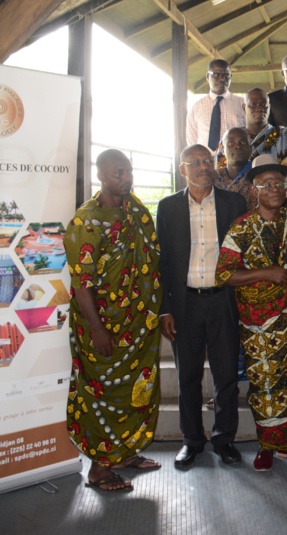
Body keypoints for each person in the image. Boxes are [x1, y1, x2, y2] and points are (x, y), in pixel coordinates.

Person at [215, 154, 287, 471]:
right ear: (254, 190)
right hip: (260, 326)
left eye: (279, 183)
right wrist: (266, 273)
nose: (274, 189)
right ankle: (267, 446)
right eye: (267, 184)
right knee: (268, 387)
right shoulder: (240, 228)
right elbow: (224, 275)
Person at [66, 149, 162, 491]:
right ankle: (99, 468)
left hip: (139, 324)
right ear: (102, 176)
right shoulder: (86, 221)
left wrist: (157, 311)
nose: (126, 177)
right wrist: (97, 330)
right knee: (102, 394)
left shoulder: (135, 210)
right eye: (118, 172)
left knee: (138, 390)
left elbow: (151, 259)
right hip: (104, 326)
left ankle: (125, 452)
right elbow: (81, 284)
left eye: (129, 171)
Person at [157, 144, 247, 469]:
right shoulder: (167, 208)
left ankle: (224, 440)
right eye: (195, 163)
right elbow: (163, 262)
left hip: (223, 300)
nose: (203, 167)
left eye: (207, 161)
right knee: (188, 377)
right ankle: (192, 441)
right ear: (183, 170)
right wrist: (165, 309)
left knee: (226, 376)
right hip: (185, 305)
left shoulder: (233, 203)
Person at [186, 59, 245, 151]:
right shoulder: (196, 107)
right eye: (217, 75)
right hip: (206, 162)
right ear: (207, 76)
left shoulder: (242, 104)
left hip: (235, 161)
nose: (222, 79)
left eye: (226, 75)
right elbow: (192, 140)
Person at [245, 88, 287, 162]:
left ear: (269, 107)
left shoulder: (286, 135)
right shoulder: (236, 139)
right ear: (243, 107)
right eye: (254, 104)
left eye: (263, 104)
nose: (259, 108)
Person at [215, 127, 255, 210]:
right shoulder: (214, 178)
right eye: (231, 143)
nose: (237, 146)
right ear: (222, 149)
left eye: (243, 142)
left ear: (250, 148)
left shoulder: (258, 176)